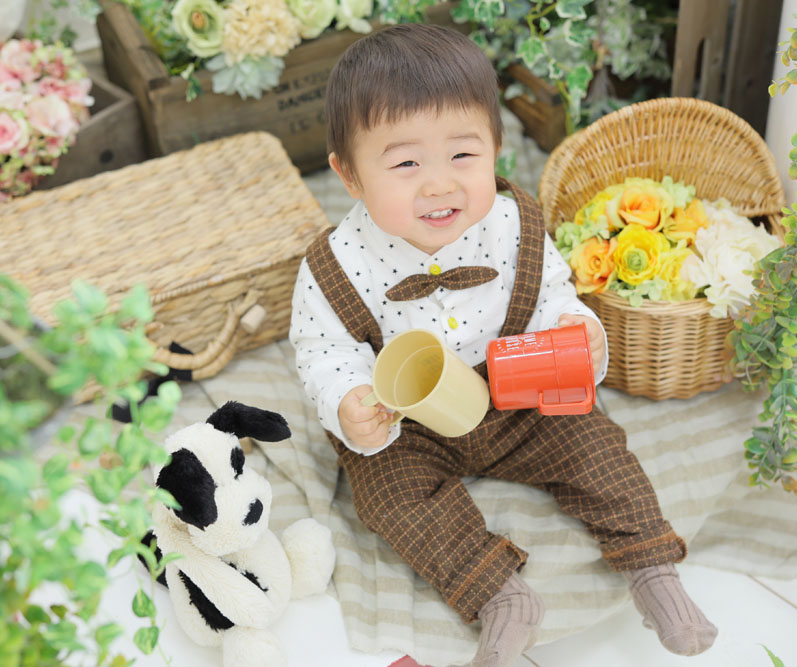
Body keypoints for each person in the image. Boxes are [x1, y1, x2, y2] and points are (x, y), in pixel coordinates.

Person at [289, 22, 717, 666]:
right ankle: (499, 596)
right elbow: (323, 349)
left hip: (517, 394)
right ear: (349, 176)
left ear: (495, 148)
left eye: (463, 155)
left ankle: (653, 568)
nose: (439, 185)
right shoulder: (335, 264)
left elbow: (552, 294)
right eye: (405, 164)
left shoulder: (514, 223)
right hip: (410, 423)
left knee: (595, 443)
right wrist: (347, 398)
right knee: (386, 494)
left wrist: (577, 331)